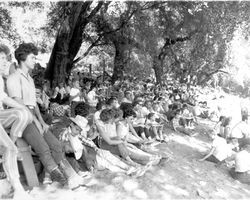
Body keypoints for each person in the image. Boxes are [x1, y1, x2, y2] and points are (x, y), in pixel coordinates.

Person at [7, 43, 87, 189]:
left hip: (33, 116)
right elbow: (19, 104)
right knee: (43, 148)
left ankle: (66, 175)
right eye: (32, 57)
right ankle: (65, 179)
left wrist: (41, 122)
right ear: (23, 58)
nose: (34, 60)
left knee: (56, 145)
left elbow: (33, 104)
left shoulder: (30, 79)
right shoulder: (13, 78)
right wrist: (36, 122)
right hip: (21, 119)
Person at [0, 43, 33, 199]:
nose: (6, 62)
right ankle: (18, 188)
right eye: (1, 59)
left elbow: (4, 98)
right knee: (11, 150)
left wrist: (24, 108)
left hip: (2, 115)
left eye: (6, 59)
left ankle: (10, 146)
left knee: (23, 114)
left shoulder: (0, 78)